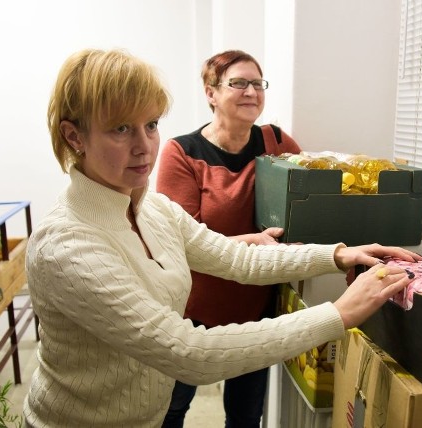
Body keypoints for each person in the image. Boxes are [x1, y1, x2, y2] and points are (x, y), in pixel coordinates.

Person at [23, 48, 422, 428]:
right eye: (121, 129)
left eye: (151, 125)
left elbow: (236, 258)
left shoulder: (152, 209)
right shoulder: (67, 247)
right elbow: (189, 353)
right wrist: (339, 314)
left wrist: (337, 255)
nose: (144, 147)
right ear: (74, 137)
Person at [155, 49, 301, 428]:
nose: (251, 91)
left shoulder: (277, 143)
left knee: (246, 416)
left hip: (255, 308)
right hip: (192, 309)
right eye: (238, 83)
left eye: (257, 83)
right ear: (211, 93)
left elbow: (307, 199)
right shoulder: (182, 152)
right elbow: (182, 242)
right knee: (169, 411)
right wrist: (255, 242)